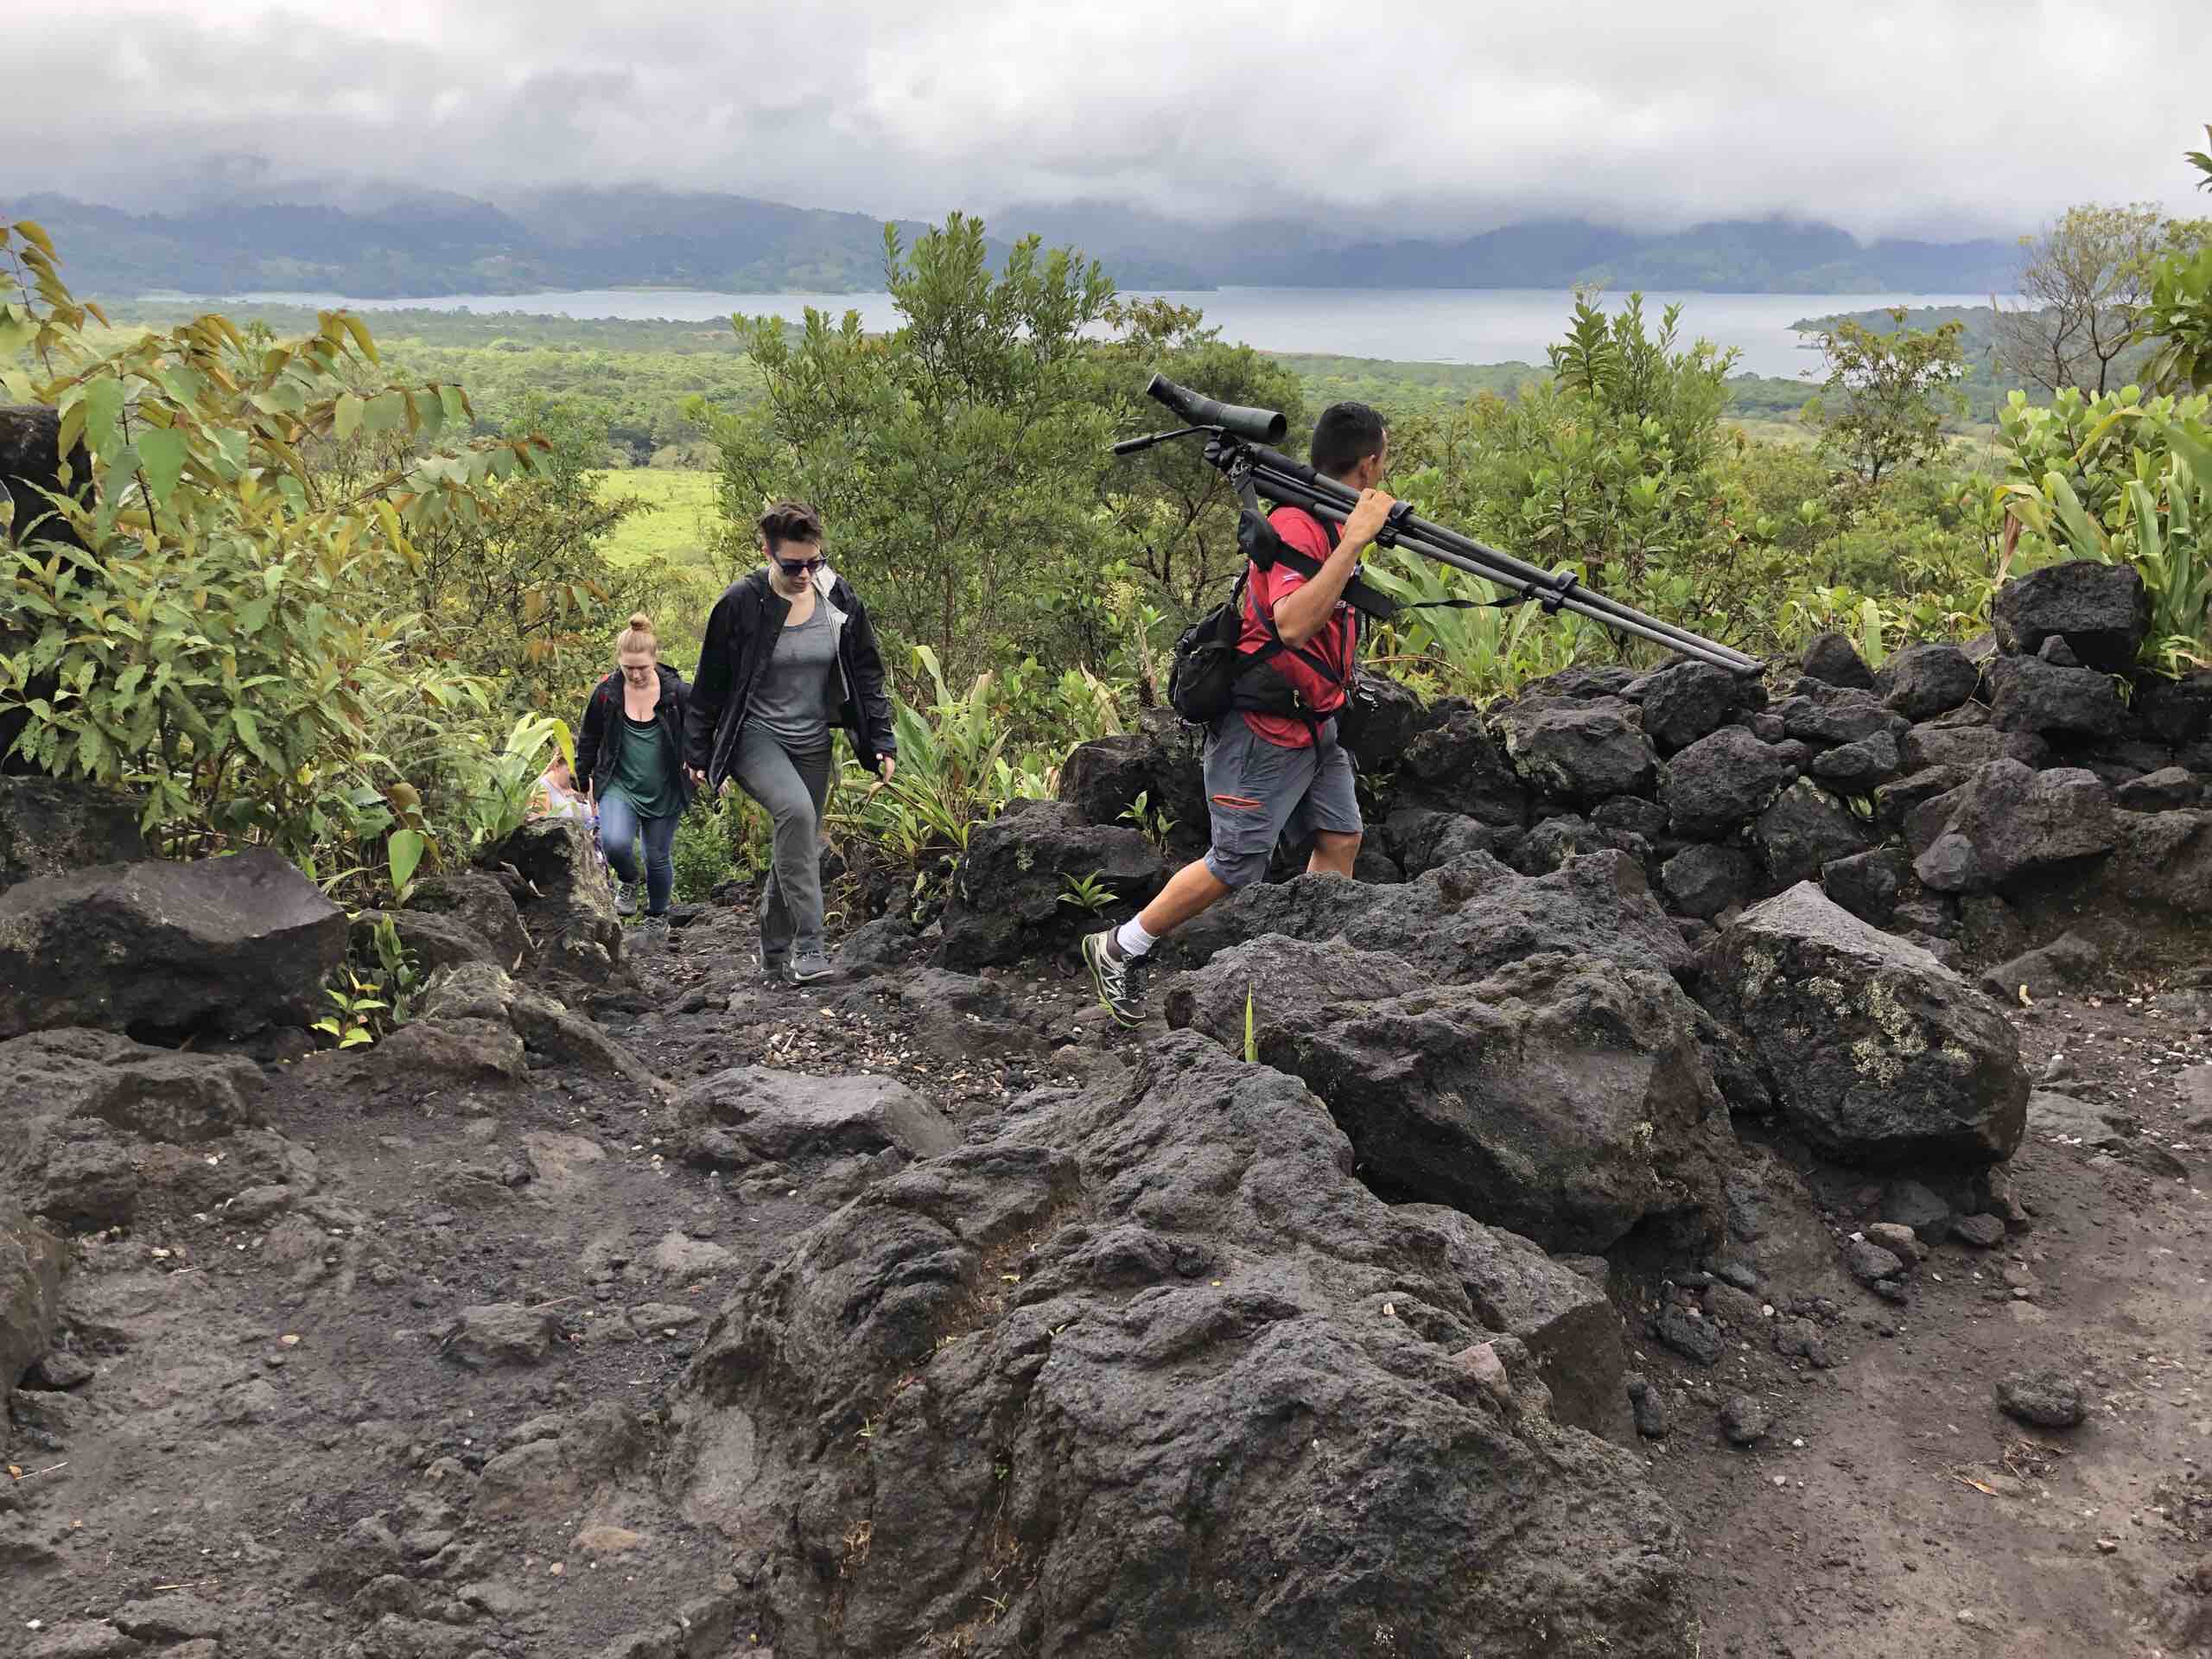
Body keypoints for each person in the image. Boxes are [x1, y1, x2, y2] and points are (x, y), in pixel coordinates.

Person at [1082, 402, 1395, 1024]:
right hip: (1263, 731)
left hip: (1315, 723)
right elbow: (1293, 623)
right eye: (1384, 460)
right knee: (1235, 862)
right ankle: (1119, 946)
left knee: (1339, 836)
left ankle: (1310, 971)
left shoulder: (1330, 517)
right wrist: (1356, 540)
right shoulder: (1301, 524)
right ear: (1369, 464)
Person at [683, 499, 896, 984]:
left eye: (813, 563)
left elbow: (866, 671)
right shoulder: (741, 603)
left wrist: (881, 739)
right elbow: (710, 681)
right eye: (792, 565)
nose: (804, 575)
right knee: (797, 815)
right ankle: (811, 946)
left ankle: (774, 952)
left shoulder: (837, 595)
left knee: (796, 839)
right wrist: (696, 748)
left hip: (813, 739)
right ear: (767, 552)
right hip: (754, 735)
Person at [575, 612, 693, 926]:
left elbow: (701, 730)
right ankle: (628, 879)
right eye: (629, 668)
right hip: (619, 782)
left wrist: (705, 764)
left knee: (656, 857)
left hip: (666, 785)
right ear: (619, 660)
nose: (636, 674)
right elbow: (589, 736)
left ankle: (657, 916)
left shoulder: (677, 693)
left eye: (642, 667)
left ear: (655, 658)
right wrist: (581, 777)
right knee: (614, 842)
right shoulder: (606, 693)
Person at [529, 753, 593, 823]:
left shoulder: (585, 781)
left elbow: (597, 816)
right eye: (570, 770)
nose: (575, 775)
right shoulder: (542, 787)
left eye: (579, 770)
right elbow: (538, 824)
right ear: (557, 766)